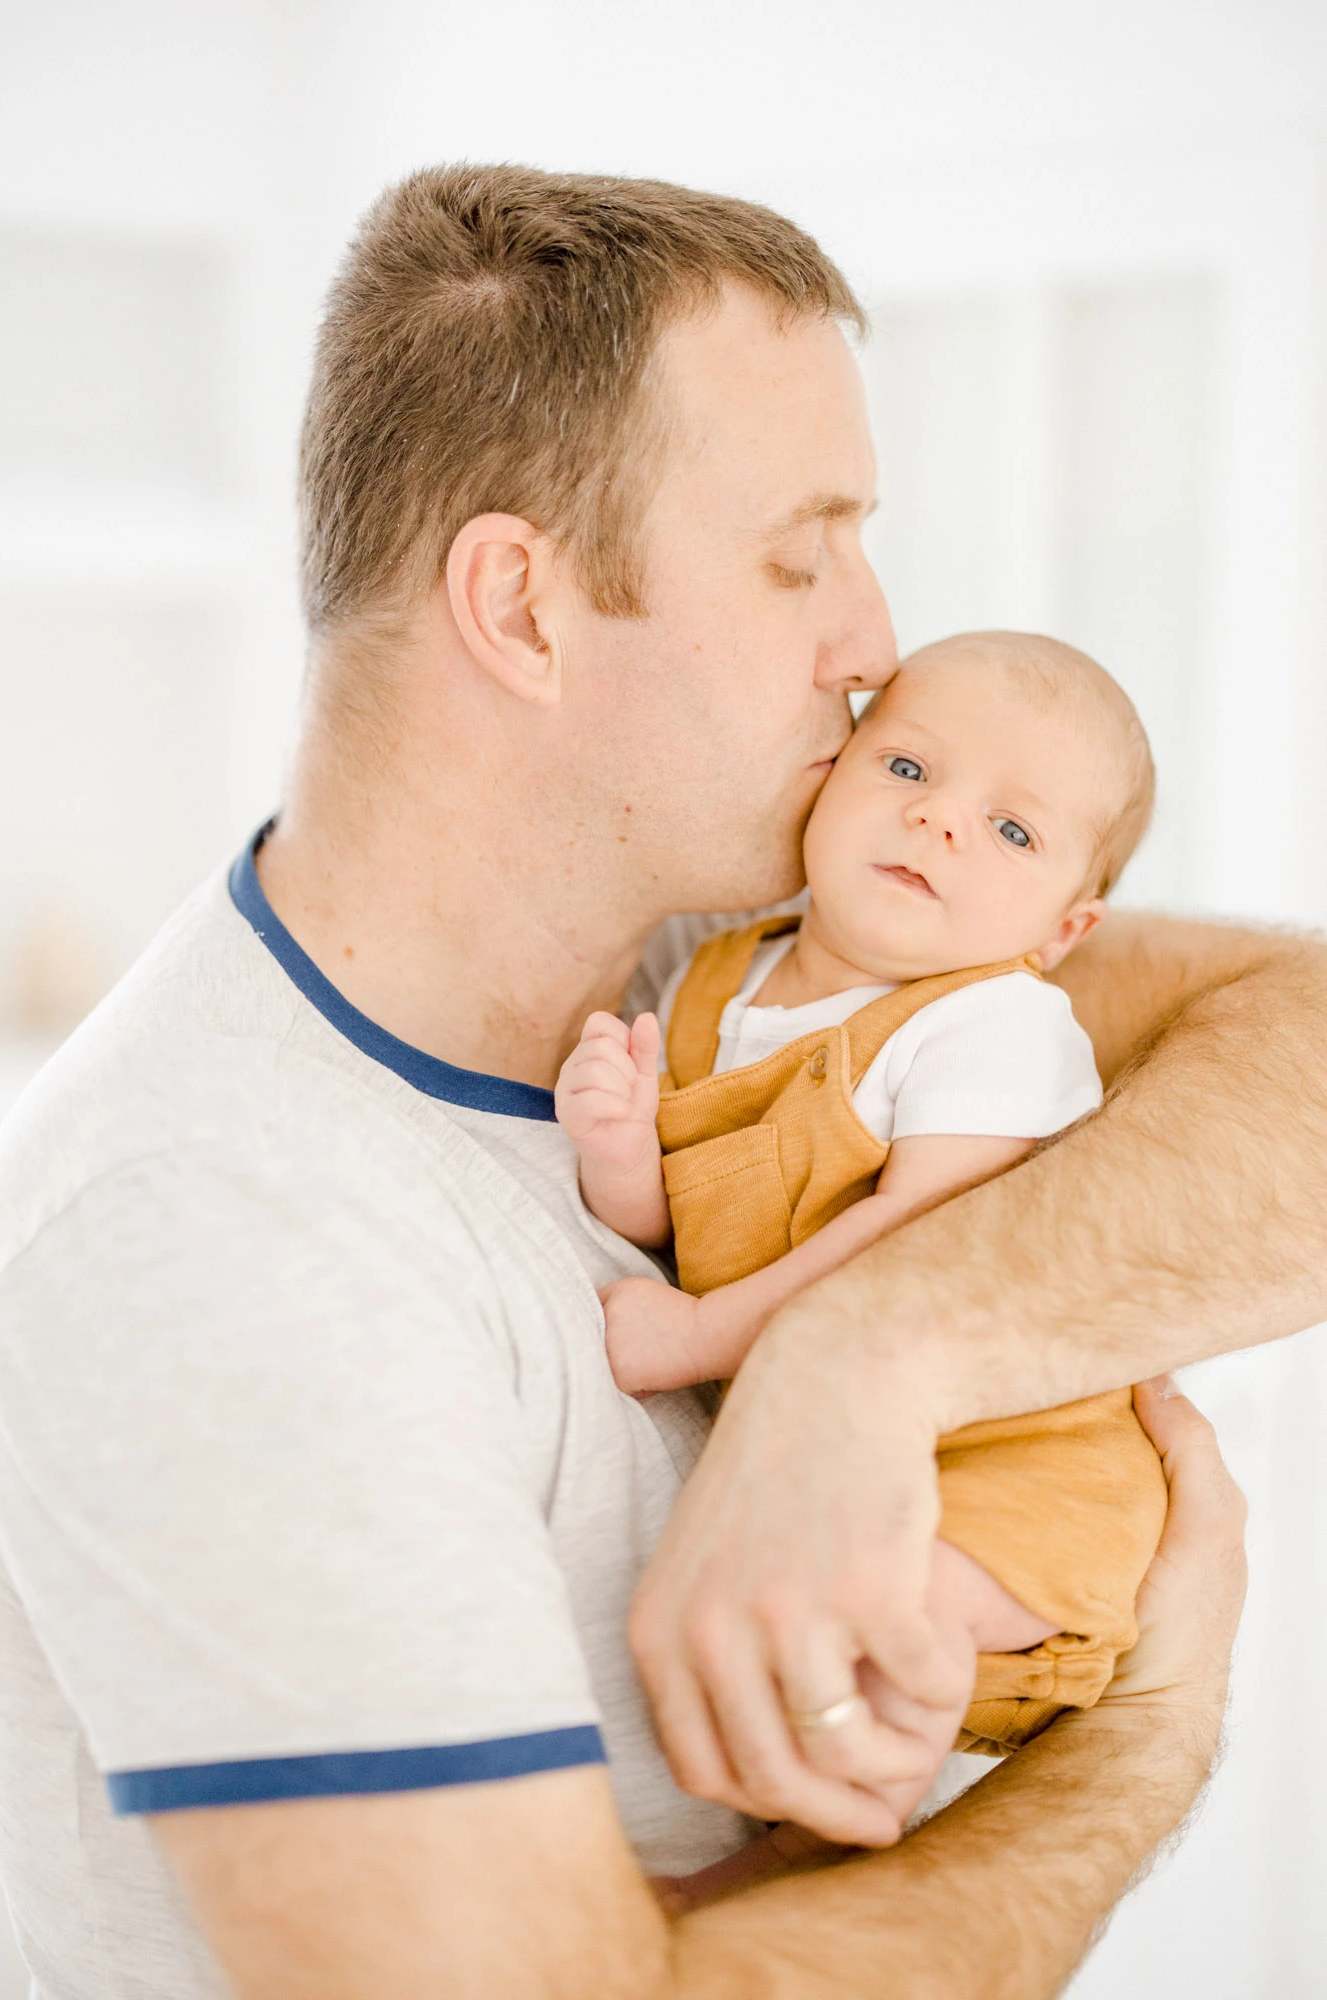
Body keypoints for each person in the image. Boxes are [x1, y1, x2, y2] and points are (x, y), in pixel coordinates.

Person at [0, 163, 1273, 1997]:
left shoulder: (722, 965)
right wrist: (1140, 1741)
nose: (872, 643)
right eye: (796, 555)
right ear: (520, 610)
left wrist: (869, 1348)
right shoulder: (221, 1228)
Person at [557, 632, 1168, 1828]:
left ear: (1064, 927)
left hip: (1011, 1468)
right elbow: (681, 1222)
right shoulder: (715, 979)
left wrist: (690, 1336)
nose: (939, 822)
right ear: (828, 773)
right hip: (843, 1461)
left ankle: (873, 1834)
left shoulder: (993, 1020)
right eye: (906, 770)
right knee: (793, 1656)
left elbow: (909, 1246)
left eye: (1011, 831)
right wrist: (622, 1150)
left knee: (874, 1623)